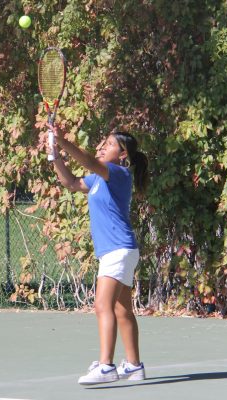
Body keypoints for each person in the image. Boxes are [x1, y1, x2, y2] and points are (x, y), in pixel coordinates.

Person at [47, 124, 149, 385]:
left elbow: (89, 161)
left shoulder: (118, 173)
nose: (103, 146)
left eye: (110, 144)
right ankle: (134, 366)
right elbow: (70, 182)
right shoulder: (98, 180)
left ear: (123, 155)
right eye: (103, 142)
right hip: (119, 251)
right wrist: (54, 155)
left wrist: (64, 142)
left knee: (102, 306)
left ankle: (106, 366)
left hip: (117, 250)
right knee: (122, 309)